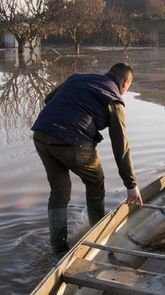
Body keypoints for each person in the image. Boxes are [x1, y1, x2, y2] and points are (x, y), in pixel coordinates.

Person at [31, 62, 143, 254]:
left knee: (59, 192)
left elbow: (48, 98)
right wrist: (131, 185)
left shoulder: (77, 78)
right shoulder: (114, 100)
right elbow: (120, 144)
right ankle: (97, 236)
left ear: (108, 73)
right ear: (125, 84)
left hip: (42, 135)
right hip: (73, 142)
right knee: (95, 182)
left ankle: (58, 249)